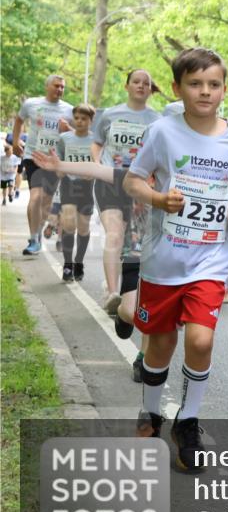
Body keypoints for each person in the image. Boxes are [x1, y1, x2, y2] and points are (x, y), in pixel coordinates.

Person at [123, 48, 228, 472]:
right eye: (195, 84)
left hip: (211, 259)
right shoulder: (163, 131)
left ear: (224, 90)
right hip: (164, 259)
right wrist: (159, 198)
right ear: (177, 89)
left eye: (213, 84)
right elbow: (132, 180)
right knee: (159, 344)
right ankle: (151, 411)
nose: (205, 92)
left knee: (200, 340)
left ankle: (189, 420)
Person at [30, 147, 151, 381]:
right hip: (136, 258)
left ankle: (144, 356)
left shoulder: (179, 184)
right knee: (131, 311)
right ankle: (123, 316)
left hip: (163, 264)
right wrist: (60, 166)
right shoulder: (132, 178)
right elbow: (95, 169)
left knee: (153, 315)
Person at [92, 70, 162, 314]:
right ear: (127, 86)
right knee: (114, 233)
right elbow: (97, 142)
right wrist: (98, 165)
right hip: (111, 181)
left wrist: (149, 187)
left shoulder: (157, 119)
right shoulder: (111, 114)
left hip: (140, 185)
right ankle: (113, 294)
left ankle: (130, 290)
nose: (141, 86)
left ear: (151, 88)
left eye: (146, 83)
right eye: (136, 82)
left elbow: (159, 157)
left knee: (134, 244)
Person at [11, 74, 74, 255]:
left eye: (62, 87)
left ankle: (38, 232)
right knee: (36, 197)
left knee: (46, 201)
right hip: (33, 157)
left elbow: (81, 132)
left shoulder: (69, 110)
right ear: (47, 86)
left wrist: (67, 129)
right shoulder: (32, 104)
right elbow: (18, 120)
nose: (60, 89)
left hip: (54, 161)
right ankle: (33, 239)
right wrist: (15, 142)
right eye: (56, 86)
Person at [55, 104, 98, 281]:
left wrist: (93, 171)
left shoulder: (96, 140)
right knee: (68, 224)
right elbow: (58, 160)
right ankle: (67, 265)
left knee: (83, 228)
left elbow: (100, 162)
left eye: (84, 119)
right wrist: (60, 170)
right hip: (68, 184)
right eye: (77, 118)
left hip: (87, 187)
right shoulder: (64, 138)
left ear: (91, 121)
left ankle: (78, 261)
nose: (80, 122)